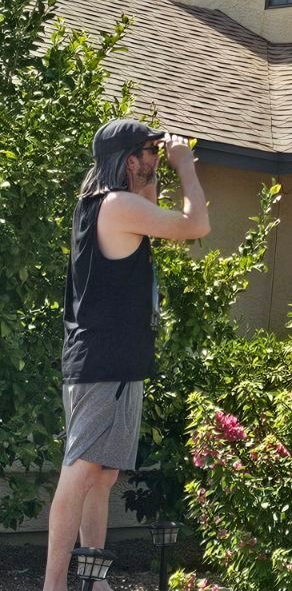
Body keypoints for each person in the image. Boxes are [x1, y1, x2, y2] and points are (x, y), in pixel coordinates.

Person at [42, 119, 210, 591]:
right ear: (128, 160)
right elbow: (196, 224)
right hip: (104, 361)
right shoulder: (114, 206)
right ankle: (54, 585)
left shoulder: (104, 205)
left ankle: (93, 580)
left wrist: (156, 170)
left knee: (102, 472)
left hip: (110, 360)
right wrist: (186, 166)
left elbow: (151, 212)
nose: (157, 159)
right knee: (79, 470)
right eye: (148, 153)